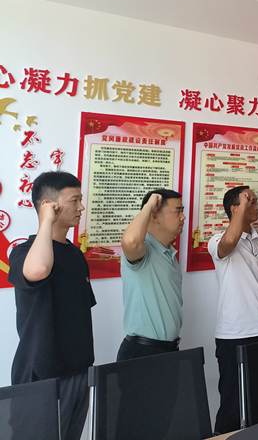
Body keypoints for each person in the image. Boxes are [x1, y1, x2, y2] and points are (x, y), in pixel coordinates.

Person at [8, 171, 96, 440]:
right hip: (42, 374)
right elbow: (39, 270)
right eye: (74, 200)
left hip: (79, 370)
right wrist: (46, 221)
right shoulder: (24, 252)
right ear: (49, 205)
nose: (81, 207)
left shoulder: (75, 253)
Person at [208, 185, 258, 434]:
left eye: (256, 201)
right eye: (250, 201)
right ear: (234, 209)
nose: (256, 206)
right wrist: (240, 209)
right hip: (234, 335)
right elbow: (229, 242)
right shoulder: (217, 239)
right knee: (232, 405)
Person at [117, 189, 184, 360]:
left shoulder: (169, 253)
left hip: (169, 350)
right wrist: (149, 206)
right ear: (155, 216)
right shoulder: (143, 250)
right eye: (178, 211)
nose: (183, 217)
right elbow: (130, 241)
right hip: (142, 352)